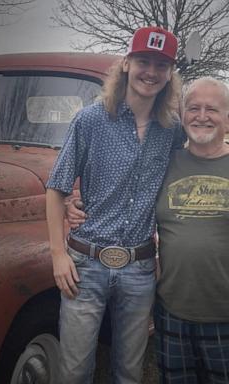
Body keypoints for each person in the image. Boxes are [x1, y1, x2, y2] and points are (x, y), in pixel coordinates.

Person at [45, 26, 184, 384]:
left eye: (161, 65)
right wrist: (58, 255)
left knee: (129, 372)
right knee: (75, 371)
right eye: (143, 61)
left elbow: (189, 169)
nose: (150, 72)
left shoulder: (172, 130)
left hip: (139, 269)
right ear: (126, 64)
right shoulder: (90, 120)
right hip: (85, 265)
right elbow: (57, 188)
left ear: (170, 74)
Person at [154, 77, 229, 383]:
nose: (201, 116)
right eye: (193, 108)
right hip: (172, 311)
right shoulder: (163, 164)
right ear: (182, 115)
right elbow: (125, 200)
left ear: (228, 116)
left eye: (211, 109)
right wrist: (77, 206)